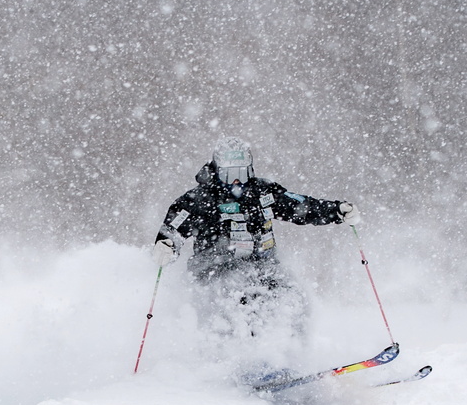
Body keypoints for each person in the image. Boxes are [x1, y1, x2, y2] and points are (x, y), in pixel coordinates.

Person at [152, 136, 358, 350]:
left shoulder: (263, 192)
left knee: (291, 296)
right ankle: (242, 359)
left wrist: (336, 211)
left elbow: (301, 206)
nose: (236, 182)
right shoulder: (202, 198)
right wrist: (166, 245)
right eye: (229, 174)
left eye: (241, 174)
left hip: (263, 266)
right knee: (244, 299)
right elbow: (175, 224)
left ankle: (289, 354)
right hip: (215, 270)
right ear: (216, 170)